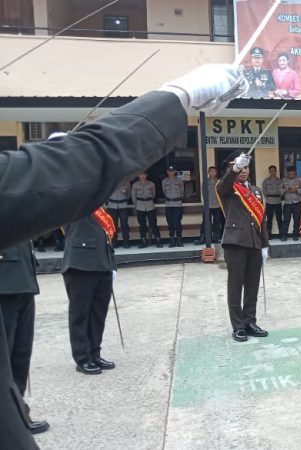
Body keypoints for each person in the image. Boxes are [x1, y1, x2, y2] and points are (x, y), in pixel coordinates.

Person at [0, 62, 243, 450]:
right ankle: (84, 357)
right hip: (77, 260)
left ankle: (86, 358)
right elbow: (81, 169)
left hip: (84, 263)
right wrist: (177, 96)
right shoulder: (75, 198)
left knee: (26, 350)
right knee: (79, 314)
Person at [216, 153, 270, 342]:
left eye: (246, 167)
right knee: (235, 285)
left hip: (255, 242)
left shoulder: (255, 191)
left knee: (252, 285)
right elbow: (223, 185)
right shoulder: (227, 187)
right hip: (235, 243)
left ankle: (249, 321)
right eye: (240, 167)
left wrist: (265, 244)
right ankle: (238, 326)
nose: (243, 170)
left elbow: (262, 219)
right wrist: (235, 168)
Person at [0, 241, 49, 434]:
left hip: (23, 279)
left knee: (21, 353)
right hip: (4, 283)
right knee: (5, 357)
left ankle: (17, 413)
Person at [62, 208, 117, 375]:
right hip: (80, 264)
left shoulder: (99, 209)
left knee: (98, 314)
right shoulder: (75, 204)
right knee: (80, 314)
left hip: (102, 263)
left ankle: (94, 353)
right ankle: (82, 357)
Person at [131, 171, 161, 248]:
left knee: (153, 223)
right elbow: (133, 196)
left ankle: (158, 240)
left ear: (146, 175)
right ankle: (143, 241)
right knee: (142, 224)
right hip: (140, 205)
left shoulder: (151, 184)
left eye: (144, 174)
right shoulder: (135, 185)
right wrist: (136, 205)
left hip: (149, 204)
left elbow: (154, 194)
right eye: (140, 174)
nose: (142, 176)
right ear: (138, 175)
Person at [195, 166, 224, 244]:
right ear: (208, 172)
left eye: (214, 171)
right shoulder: (205, 182)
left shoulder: (219, 182)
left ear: (216, 173)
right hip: (208, 205)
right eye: (211, 171)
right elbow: (203, 193)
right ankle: (203, 238)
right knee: (205, 222)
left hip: (217, 205)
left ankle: (216, 238)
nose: (212, 173)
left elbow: (221, 193)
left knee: (217, 222)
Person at [280, 166, 301, 241]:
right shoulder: (284, 180)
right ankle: (284, 235)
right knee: (286, 220)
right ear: (287, 173)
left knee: (297, 219)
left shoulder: (299, 179)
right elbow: (279, 190)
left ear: (295, 173)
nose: (291, 176)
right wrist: (285, 190)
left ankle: (295, 235)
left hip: (297, 203)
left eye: (293, 174)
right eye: (290, 174)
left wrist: (296, 190)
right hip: (287, 203)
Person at [162, 166, 185, 247]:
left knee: (178, 222)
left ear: (175, 171)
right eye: (169, 171)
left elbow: (182, 192)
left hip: (177, 204)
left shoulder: (179, 181)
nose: (171, 172)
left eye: (172, 171)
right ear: (167, 172)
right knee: (170, 223)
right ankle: (172, 240)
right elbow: (164, 192)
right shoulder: (164, 181)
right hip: (168, 204)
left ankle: (179, 239)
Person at [262, 165, 283, 239]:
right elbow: (264, 191)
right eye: (271, 171)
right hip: (269, 202)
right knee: (269, 219)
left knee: (279, 218)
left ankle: (281, 234)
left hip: (278, 202)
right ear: (269, 172)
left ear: (276, 171)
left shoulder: (280, 181)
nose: (273, 172)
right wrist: (268, 198)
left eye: (274, 170)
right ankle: (269, 235)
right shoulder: (266, 181)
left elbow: (282, 191)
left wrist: (278, 197)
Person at [107, 183, 131, 248]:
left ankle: (126, 242)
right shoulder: (110, 182)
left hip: (123, 205)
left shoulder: (127, 183)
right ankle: (113, 242)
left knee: (124, 225)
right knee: (113, 225)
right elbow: (106, 194)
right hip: (112, 206)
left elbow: (129, 195)